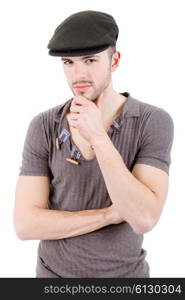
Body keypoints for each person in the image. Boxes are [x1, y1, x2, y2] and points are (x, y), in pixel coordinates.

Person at [14, 10, 174, 278]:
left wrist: (99, 137)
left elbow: (144, 218)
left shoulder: (151, 121)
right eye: (69, 62)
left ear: (115, 61)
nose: (79, 74)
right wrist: (107, 216)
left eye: (90, 60)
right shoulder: (44, 125)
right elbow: (25, 224)